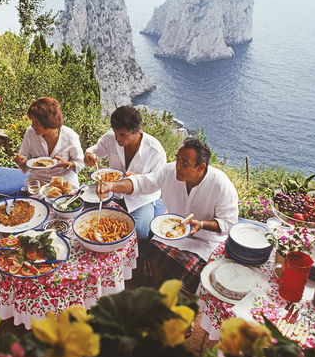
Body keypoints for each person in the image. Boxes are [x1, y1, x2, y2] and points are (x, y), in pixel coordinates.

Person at [97, 136, 239, 293]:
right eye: (178, 159)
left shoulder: (221, 185)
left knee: (192, 269)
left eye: (185, 163)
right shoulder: (169, 171)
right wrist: (111, 186)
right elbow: (142, 183)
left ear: (200, 167)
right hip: (170, 230)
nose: (178, 166)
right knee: (152, 250)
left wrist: (202, 224)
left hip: (205, 241)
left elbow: (229, 223)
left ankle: (187, 301)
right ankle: (157, 291)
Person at [85, 106, 167, 249]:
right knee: (91, 221)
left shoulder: (155, 150)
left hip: (141, 200)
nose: (117, 138)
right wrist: (89, 156)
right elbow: (94, 150)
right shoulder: (111, 137)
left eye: (122, 134)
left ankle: (136, 266)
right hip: (113, 194)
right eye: (115, 132)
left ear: (137, 131)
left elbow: (158, 181)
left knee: (140, 232)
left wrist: (138, 178)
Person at [14, 97, 84, 190]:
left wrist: (65, 164)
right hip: (38, 181)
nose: (33, 125)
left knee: (59, 199)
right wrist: (22, 162)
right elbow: (25, 158)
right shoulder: (31, 132)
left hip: (63, 182)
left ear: (49, 121)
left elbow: (80, 163)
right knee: (37, 200)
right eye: (32, 121)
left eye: (37, 122)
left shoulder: (70, 136)